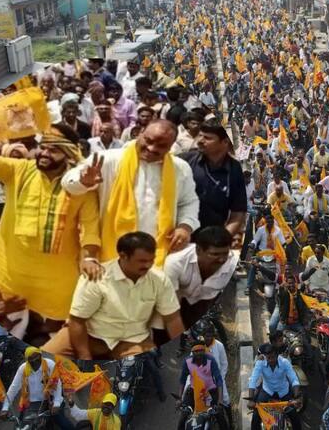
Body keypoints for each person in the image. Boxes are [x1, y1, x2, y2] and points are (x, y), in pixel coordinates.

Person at [0, 124, 102, 343]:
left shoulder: (81, 188)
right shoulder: (20, 170)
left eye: (53, 149)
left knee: (57, 329)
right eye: (42, 147)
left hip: (56, 281)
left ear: (68, 155)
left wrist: (90, 257)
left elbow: (90, 229)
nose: (44, 153)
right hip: (12, 275)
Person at [62, 119, 200, 266]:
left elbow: (189, 201)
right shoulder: (109, 159)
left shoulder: (180, 168)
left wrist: (185, 226)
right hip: (111, 250)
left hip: (158, 253)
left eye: (161, 146)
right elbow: (68, 183)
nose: (152, 148)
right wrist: (83, 182)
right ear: (140, 134)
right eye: (148, 140)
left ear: (171, 146)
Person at [42, 231, 184, 360]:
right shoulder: (97, 277)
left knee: (147, 378)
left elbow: (172, 318)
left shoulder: (159, 279)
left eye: (151, 260)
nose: (148, 265)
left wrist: (184, 353)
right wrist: (85, 358)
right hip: (90, 336)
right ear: (123, 256)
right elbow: (77, 320)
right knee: (39, 364)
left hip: (133, 340)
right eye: (142, 261)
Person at [179, 120, 247, 241]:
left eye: (207, 138)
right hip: (180, 236)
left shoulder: (235, 170)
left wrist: (221, 239)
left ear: (225, 142)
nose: (200, 141)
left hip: (209, 243)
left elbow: (238, 213)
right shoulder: (184, 161)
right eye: (200, 135)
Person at [163, 225, 238, 329]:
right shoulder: (175, 263)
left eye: (225, 254)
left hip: (206, 302)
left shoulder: (233, 263)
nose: (221, 260)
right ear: (198, 250)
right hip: (179, 300)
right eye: (215, 254)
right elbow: (171, 307)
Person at [1, 347, 71, 429]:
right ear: (27, 360)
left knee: (63, 423)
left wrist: (56, 403)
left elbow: (57, 384)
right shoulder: (22, 369)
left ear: (40, 355)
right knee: (21, 426)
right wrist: (5, 408)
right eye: (31, 359)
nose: (34, 361)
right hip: (32, 404)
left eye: (37, 357)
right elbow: (13, 388)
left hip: (51, 400)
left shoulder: (50, 364)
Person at [247, 344, 302, 430]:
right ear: (265, 356)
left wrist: (297, 397)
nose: (271, 360)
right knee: (256, 417)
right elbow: (253, 380)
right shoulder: (260, 363)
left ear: (277, 355)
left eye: (273, 357)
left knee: (295, 417)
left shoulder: (285, 362)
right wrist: (250, 399)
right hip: (267, 392)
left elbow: (294, 379)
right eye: (268, 358)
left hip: (284, 392)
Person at [176, 343, 228, 430]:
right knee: (183, 417)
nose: (199, 353)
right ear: (192, 352)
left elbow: (219, 380)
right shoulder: (187, 362)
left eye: (201, 351)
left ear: (204, 351)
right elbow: (182, 380)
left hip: (210, 392)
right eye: (196, 351)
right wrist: (179, 398)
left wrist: (220, 399)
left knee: (220, 415)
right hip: (194, 391)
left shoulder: (211, 360)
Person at [246, 214, 286, 295]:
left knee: (281, 265)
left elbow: (283, 242)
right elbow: (255, 240)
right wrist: (252, 244)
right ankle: (248, 286)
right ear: (266, 221)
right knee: (254, 265)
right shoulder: (261, 230)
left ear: (273, 221)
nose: (270, 223)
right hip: (262, 253)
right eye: (268, 221)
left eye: (271, 221)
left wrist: (285, 247)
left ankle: (281, 285)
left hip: (274, 253)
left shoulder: (278, 230)